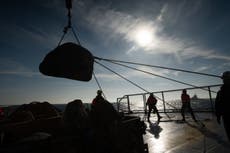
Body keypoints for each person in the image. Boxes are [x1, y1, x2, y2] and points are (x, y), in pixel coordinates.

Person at [215, 71, 230, 141]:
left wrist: (218, 115)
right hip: (225, 115)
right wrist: (218, 115)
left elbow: (218, 104)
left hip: (226, 115)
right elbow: (218, 104)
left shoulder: (220, 92)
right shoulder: (220, 92)